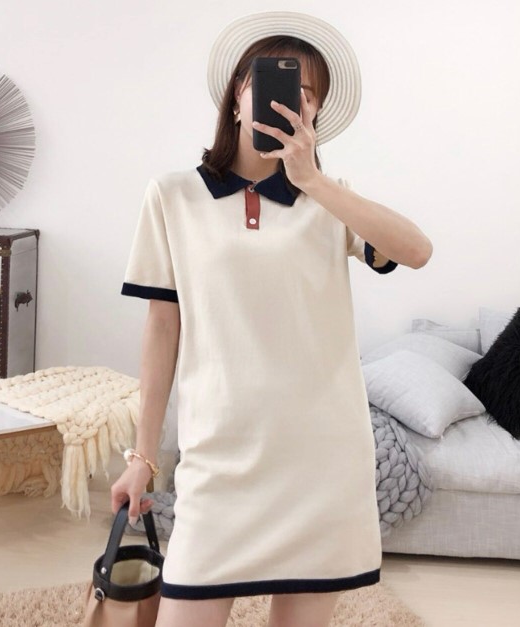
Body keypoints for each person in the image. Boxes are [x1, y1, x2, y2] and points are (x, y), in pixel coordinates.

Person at [111, 10, 432, 627]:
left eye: (307, 94)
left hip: (321, 462)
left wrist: (313, 180)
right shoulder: (173, 196)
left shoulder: (330, 200)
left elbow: (416, 250)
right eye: (277, 82)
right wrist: (143, 457)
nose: (292, 99)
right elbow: (162, 331)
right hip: (218, 459)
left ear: (315, 115)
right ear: (239, 93)